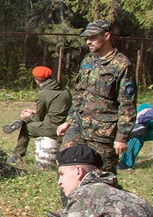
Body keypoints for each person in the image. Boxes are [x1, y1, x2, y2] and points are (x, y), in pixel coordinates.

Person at [56, 19, 137, 172]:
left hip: (103, 131)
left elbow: (127, 105)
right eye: (87, 38)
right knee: (65, 164)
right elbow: (80, 93)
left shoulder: (122, 65)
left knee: (101, 173)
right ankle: (69, 196)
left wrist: (122, 137)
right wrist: (69, 121)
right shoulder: (88, 60)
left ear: (106, 36)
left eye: (92, 38)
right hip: (80, 124)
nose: (88, 42)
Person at [1, 66, 71, 165]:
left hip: (52, 127)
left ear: (37, 80)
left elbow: (39, 118)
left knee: (26, 128)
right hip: (65, 125)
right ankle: (22, 122)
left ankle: (17, 156)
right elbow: (55, 109)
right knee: (30, 119)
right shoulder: (65, 90)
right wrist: (34, 111)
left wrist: (28, 116)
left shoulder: (42, 94)